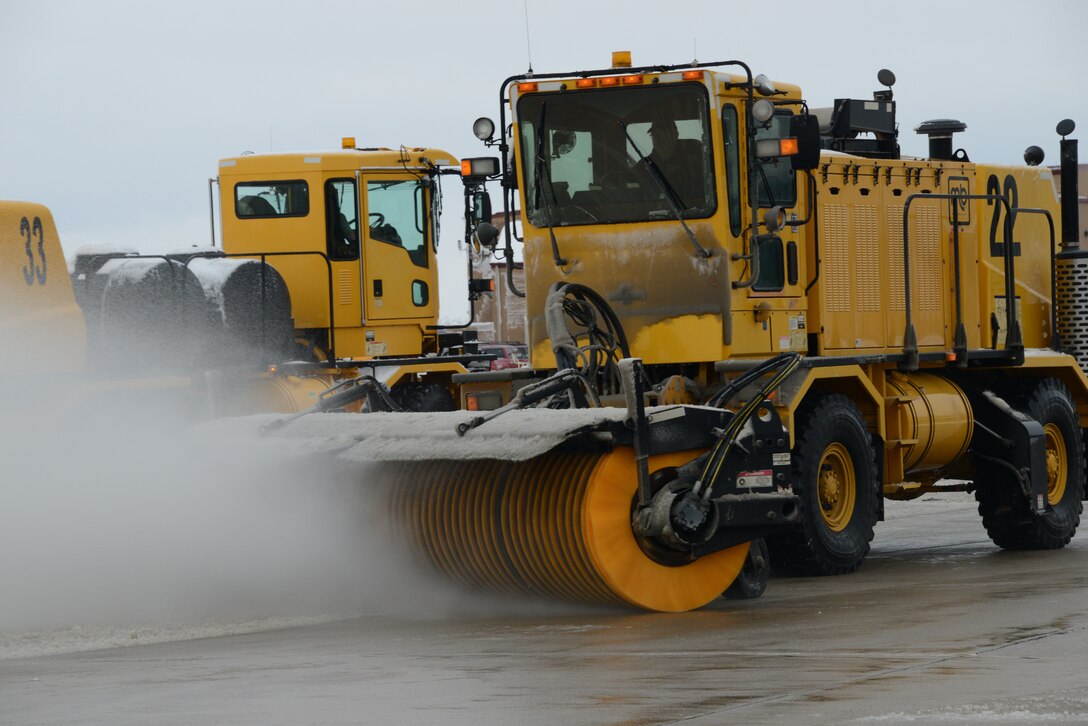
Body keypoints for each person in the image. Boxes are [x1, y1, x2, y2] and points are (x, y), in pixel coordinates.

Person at [640, 118, 704, 209]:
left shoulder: (694, 162)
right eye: (656, 135)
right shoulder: (642, 166)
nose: (661, 140)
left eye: (665, 136)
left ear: (676, 135)